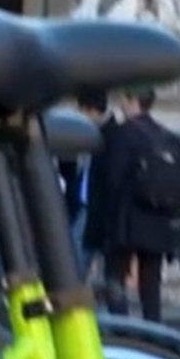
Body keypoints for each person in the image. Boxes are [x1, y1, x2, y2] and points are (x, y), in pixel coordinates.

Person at [101, 87, 180, 322]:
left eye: (124, 97)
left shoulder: (125, 133)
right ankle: (154, 330)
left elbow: (112, 178)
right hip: (160, 220)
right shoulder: (168, 136)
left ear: (132, 100)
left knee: (115, 275)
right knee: (151, 283)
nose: (120, 102)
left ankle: (121, 327)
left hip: (128, 220)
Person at [65, 90, 108, 273]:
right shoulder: (85, 137)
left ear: (90, 110)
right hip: (84, 207)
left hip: (92, 209)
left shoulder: (106, 137)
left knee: (76, 264)